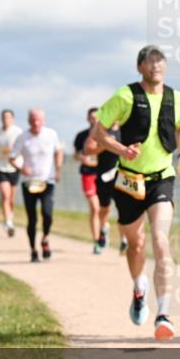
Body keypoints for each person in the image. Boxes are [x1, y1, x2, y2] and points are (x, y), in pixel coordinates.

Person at [91, 45, 180, 342]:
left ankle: (163, 313)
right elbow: (99, 132)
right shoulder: (125, 96)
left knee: (160, 239)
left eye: (160, 61)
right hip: (130, 181)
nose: (156, 66)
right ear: (140, 68)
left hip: (162, 177)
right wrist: (121, 149)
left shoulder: (178, 98)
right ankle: (139, 288)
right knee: (135, 244)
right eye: (150, 62)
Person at [11, 109, 63, 262]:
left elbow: (58, 151)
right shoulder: (22, 137)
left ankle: (45, 239)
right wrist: (21, 168)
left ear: (44, 120)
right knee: (32, 218)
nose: (36, 122)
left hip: (48, 180)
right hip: (30, 182)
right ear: (29, 120)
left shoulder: (51, 134)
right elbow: (12, 158)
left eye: (38, 119)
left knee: (47, 214)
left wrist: (58, 169)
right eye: (33, 119)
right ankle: (33, 250)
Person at [85, 118, 127, 254]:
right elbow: (88, 150)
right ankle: (104, 227)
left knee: (124, 208)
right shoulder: (100, 129)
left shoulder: (125, 129)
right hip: (103, 176)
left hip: (121, 175)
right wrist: (105, 145)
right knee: (104, 209)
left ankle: (124, 240)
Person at [74, 108, 107, 253]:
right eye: (92, 117)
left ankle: (104, 227)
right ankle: (96, 241)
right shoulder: (81, 136)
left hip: (104, 174)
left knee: (104, 208)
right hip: (88, 174)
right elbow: (76, 155)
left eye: (97, 117)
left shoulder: (106, 134)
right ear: (88, 119)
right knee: (95, 207)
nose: (94, 120)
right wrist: (83, 159)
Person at [0, 109, 23, 237]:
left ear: (12, 119)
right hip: (1, 166)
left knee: (11, 198)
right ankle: (8, 222)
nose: (6, 119)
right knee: (5, 195)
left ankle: (9, 216)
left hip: (14, 166)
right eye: (4, 117)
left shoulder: (18, 132)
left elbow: (23, 147)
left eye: (8, 117)